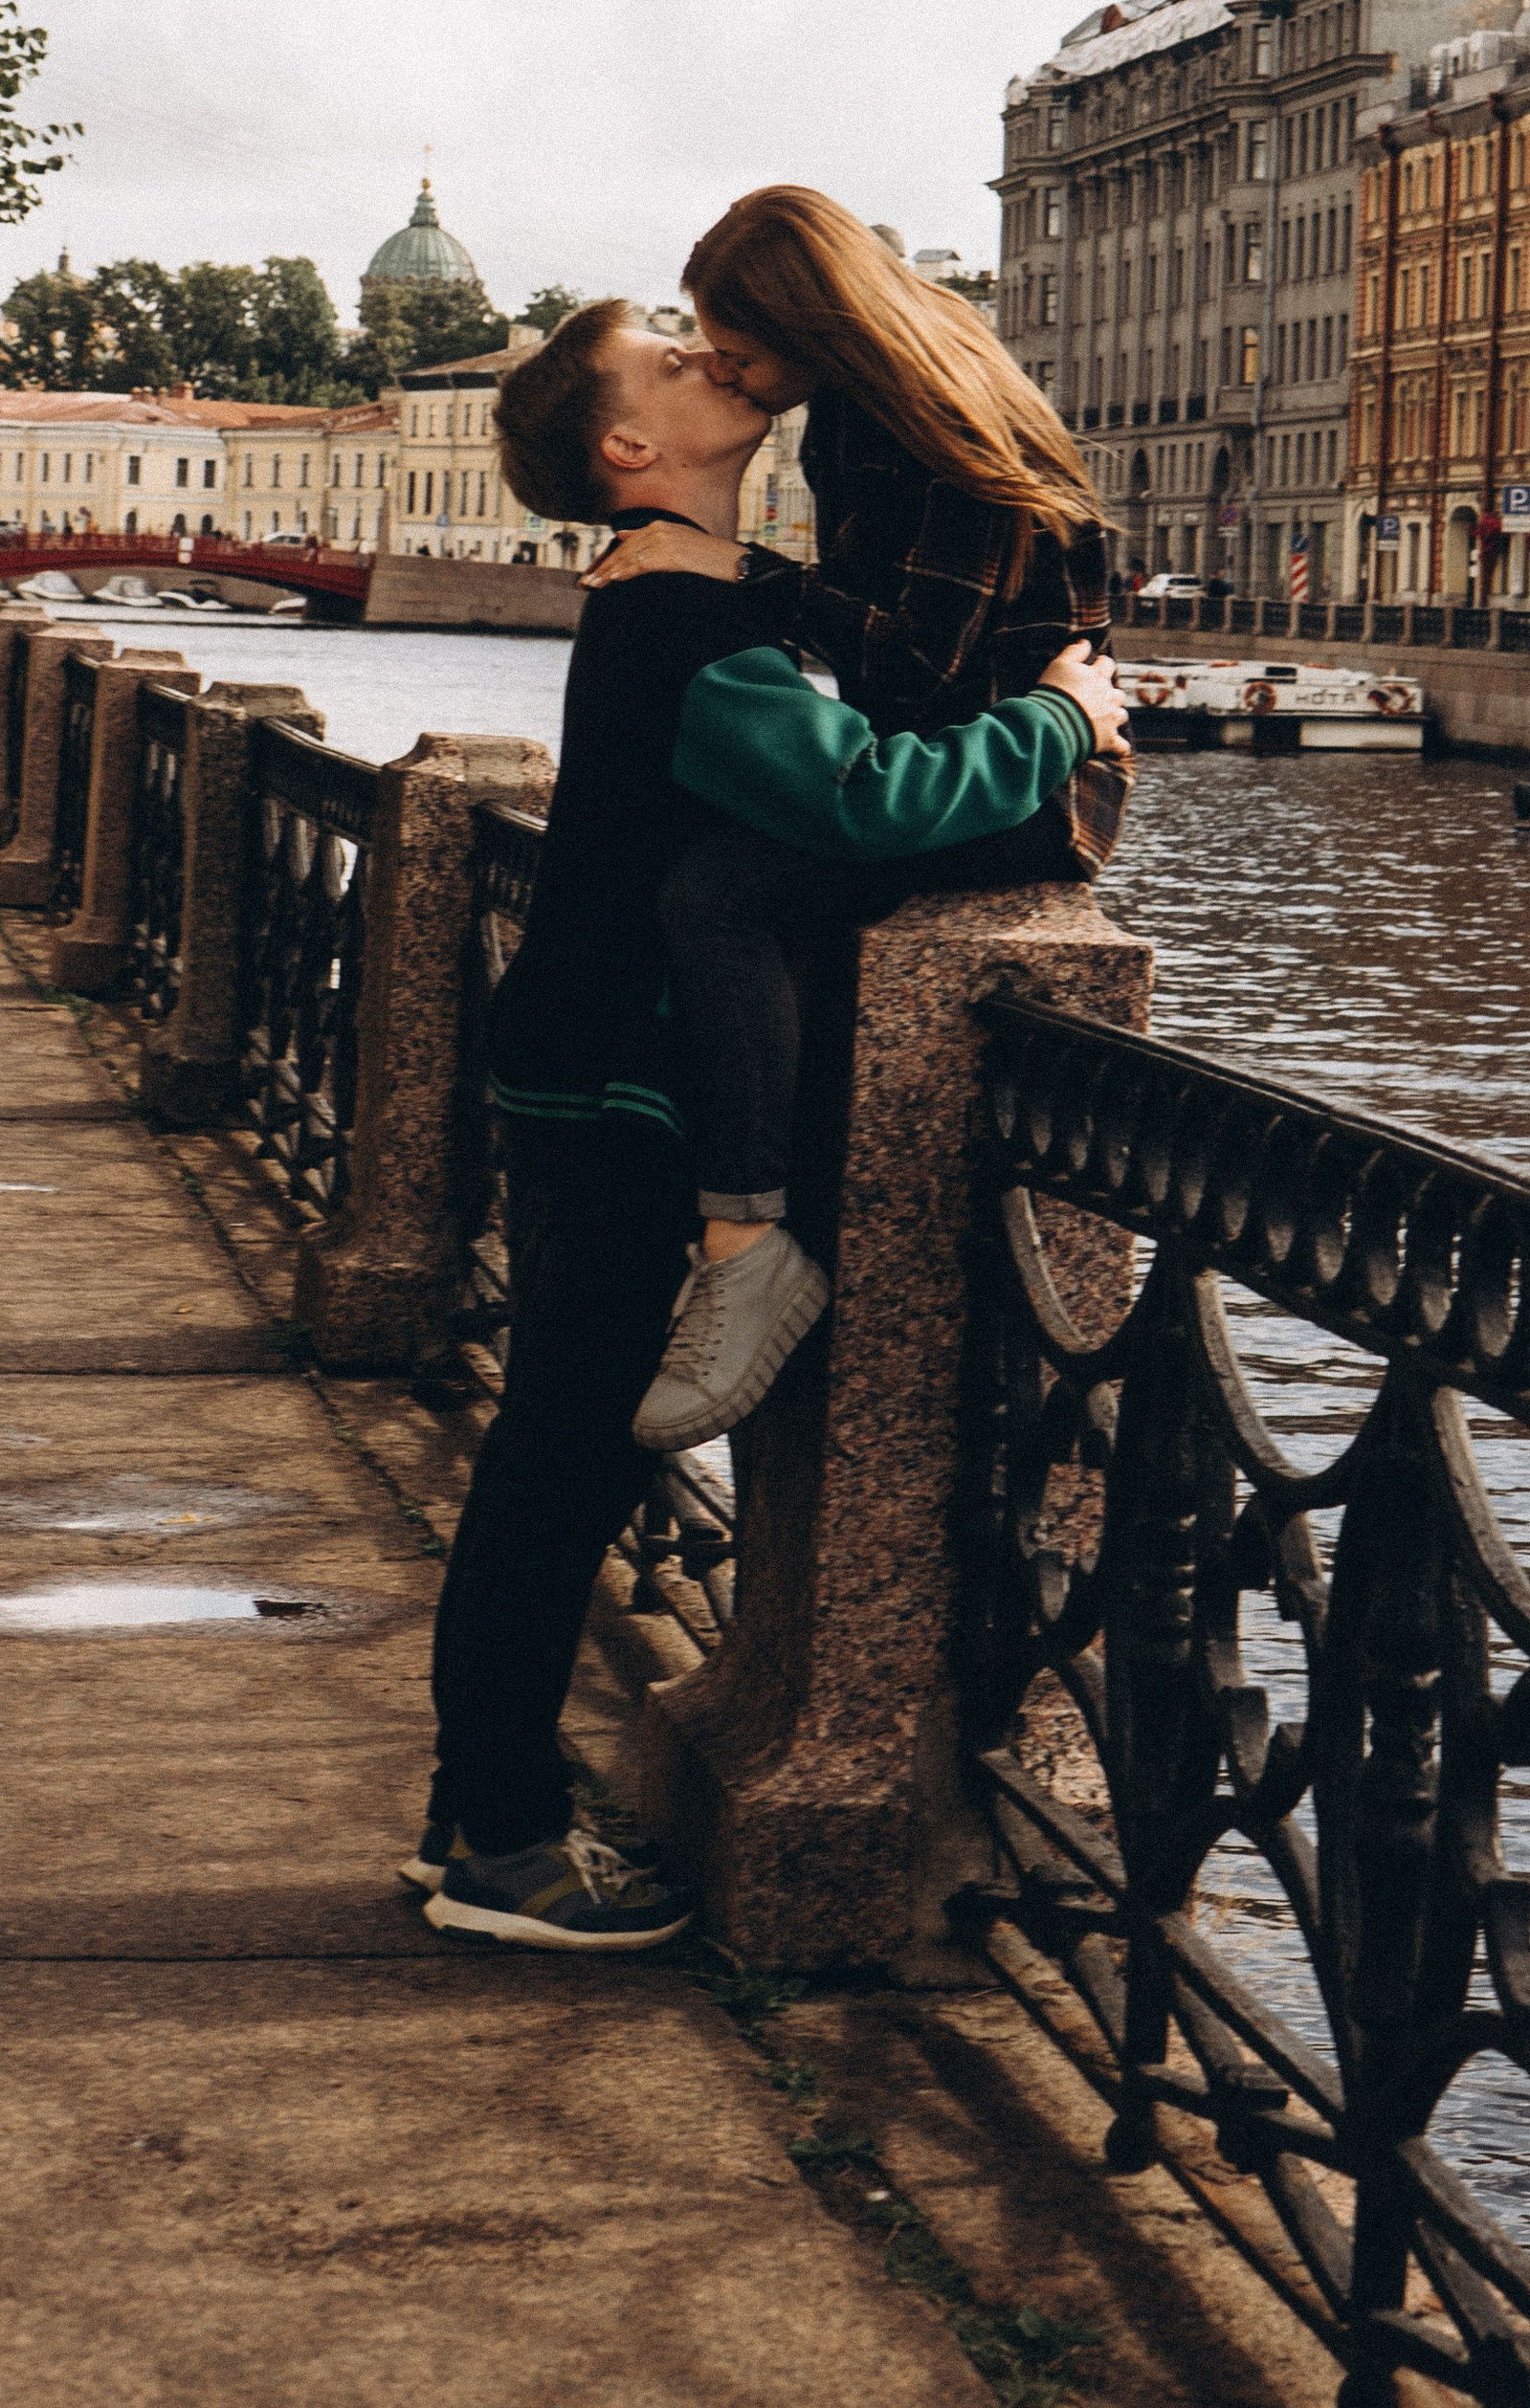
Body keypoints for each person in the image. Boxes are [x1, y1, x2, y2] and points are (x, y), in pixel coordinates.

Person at [413, 300, 1126, 1952]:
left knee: (551, 1452)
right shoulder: (682, 622)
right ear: (627, 452)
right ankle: (507, 1846)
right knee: (561, 1462)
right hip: (612, 1084)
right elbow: (860, 796)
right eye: (669, 353)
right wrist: (1059, 724)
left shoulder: (691, 593)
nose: (705, 352)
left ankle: (478, 1804)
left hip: (580, 1060)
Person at [580, 188, 1126, 1449]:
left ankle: (749, 1242)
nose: (728, 371)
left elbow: (926, 676)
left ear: (811, 323)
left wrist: (742, 574)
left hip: (1030, 786)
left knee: (719, 892)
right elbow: (895, 675)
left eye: (741, 348)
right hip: (961, 759)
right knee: (729, 876)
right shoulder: (864, 410)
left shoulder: (925, 428)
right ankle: (746, 1227)